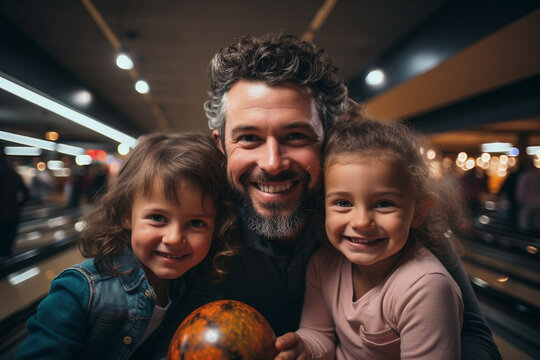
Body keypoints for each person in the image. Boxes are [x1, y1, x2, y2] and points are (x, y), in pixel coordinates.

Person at [137, 33, 500, 359]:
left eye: (296, 136)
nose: (273, 163)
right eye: (249, 138)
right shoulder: (197, 225)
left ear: (329, 137)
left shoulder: (385, 215)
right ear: (222, 146)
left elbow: (478, 342)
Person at [15, 133, 236, 359]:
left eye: (196, 223)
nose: (174, 238)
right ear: (125, 214)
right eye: (158, 218)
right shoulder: (81, 291)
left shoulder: (196, 291)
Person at [276, 119, 464, 359]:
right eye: (343, 203)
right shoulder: (323, 264)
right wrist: (305, 347)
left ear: (417, 212)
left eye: (384, 204)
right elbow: (318, 333)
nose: (362, 221)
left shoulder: (425, 288)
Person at [0, 145, 30, 258]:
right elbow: (27, 195)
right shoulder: (14, 175)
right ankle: (7, 268)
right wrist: (17, 206)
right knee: (7, 248)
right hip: (13, 214)